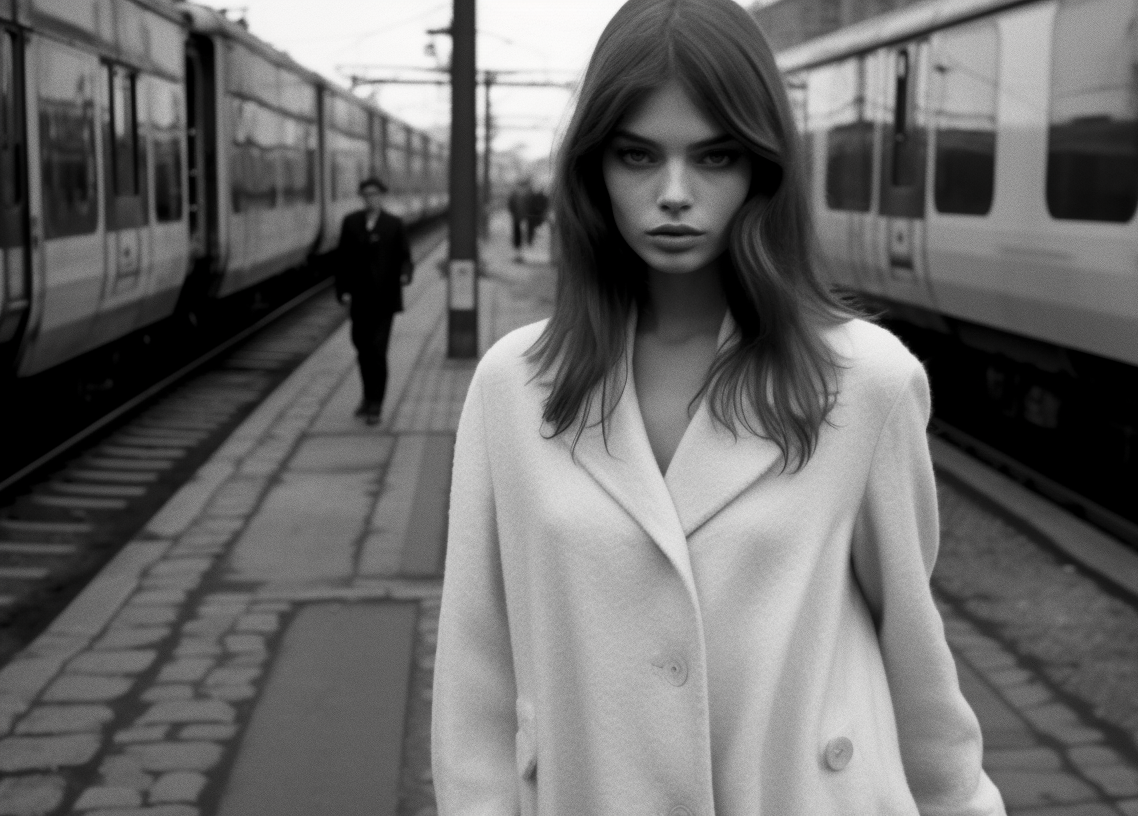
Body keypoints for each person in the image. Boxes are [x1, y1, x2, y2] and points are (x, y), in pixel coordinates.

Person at [433, 0, 1006, 813]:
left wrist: (961, 802)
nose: (674, 193)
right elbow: (475, 675)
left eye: (715, 156)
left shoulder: (866, 381)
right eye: (637, 155)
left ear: (762, 168)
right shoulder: (512, 386)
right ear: (593, 167)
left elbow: (912, 648)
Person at [334, 177, 412, 425]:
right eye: (366, 194)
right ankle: (366, 398)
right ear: (362, 197)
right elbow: (342, 259)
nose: (371, 199)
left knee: (377, 351)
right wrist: (343, 290)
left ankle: (376, 404)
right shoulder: (351, 222)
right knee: (362, 348)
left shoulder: (394, 224)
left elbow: (405, 256)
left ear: (381, 197)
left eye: (375, 194)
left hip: (384, 299)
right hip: (359, 299)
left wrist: (405, 274)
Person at [507, 177, 535, 263]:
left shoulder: (516, 193)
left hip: (519, 218)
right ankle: (520, 255)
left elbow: (510, 204)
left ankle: (519, 255)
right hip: (522, 217)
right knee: (521, 236)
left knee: (519, 236)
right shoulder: (528, 193)